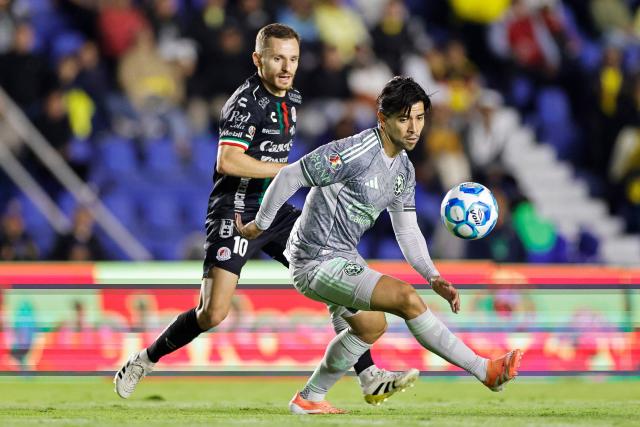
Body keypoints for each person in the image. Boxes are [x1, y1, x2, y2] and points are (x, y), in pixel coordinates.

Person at [114, 23, 418, 404]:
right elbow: (227, 160)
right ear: (258, 59)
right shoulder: (246, 103)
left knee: (331, 275)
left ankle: (369, 374)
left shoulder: (292, 98)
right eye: (277, 58)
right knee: (212, 313)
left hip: (276, 210)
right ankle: (145, 360)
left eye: (292, 58)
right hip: (235, 211)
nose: (286, 66)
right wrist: (289, 173)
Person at [236, 76, 523, 414]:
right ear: (382, 119)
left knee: (372, 326)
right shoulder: (354, 151)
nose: (414, 127)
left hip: (341, 256)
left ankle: (310, 398)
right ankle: (484, 369)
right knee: (405, 298)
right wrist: (260, 225)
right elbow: (289, 176)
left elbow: (407, 229)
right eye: (404, 119)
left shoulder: (403, 168)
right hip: (314, 259)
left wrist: (432, 275)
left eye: (419, 118)